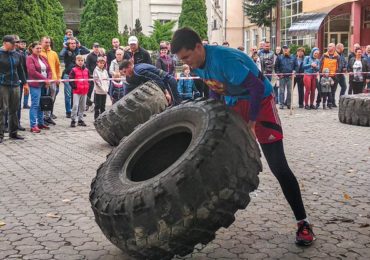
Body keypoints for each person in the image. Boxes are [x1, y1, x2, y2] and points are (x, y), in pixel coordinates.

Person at [171, 28, 315, 246]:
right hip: (235, 104)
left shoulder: (224, 59)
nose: (186, 63)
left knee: (278, 167)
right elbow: (215, 89)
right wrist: (214, 114)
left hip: (261, 103)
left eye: (187, 57)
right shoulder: (199, 65)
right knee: (217, 158)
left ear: (199, 47)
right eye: (182, 59)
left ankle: (303, 223)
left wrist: (252, 124)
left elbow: (257, 87)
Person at [0, 35, 27, 142]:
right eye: (13, 43)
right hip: (2, 85)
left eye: (16, 42)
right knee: (2, 109)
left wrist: (25, 83)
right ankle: (0, 135)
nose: (15, 44)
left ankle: (13, 133)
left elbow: (20, 70)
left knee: (14, 109)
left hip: (15, 84)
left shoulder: (17, 54)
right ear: (5, 43)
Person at [60, 37, 90, 118]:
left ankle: (77, 111)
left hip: (78, 75)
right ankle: (68, 111)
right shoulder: (66, 51)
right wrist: (65, 47)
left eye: (74, 43)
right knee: (68, 94)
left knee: (77, 94)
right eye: (71, 43)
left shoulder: (78, 50)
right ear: (68, 44)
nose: (73, 44)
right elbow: (61, 55)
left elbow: (87, 51)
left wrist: (80, 45)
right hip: (68, 74)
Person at [26, 41, 52, 133]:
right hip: (35, 85)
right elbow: (32, 72)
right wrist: (45, 79)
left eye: (40, 48)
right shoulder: (30, 58)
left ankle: (40, 123)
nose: (39, 50)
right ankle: (33, 125)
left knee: (42, 104)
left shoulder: (43, 58)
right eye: (37, 48)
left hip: (44, 84)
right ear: (32, 49)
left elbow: (49, 70)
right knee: (35, 104)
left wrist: (48, 79)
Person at [40, 36, 61, 126]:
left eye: (49, 42)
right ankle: (42, 118)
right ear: (41, 42)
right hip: (43, 81)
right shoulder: (39, 52)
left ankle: (48, 117)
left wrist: (58, 78)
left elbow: (58, 66)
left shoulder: (54, 53)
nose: (48, 44)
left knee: (51, 99)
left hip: (53, 80)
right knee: (43, 99)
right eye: (46, 42)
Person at [274, 45, 298, 109]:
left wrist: (294, 71)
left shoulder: (293, 57)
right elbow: (276, 67)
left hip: (290, 77)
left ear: (289, 49)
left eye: (286, 49)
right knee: (281, 91)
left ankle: (289, 104)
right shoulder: (279, 57)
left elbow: (296, 66)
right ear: (282, 50)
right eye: (284, 49)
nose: (285, 50)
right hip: (282, 77)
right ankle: (281, 104)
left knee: (290, 91)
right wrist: (279, 74)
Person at [69, 55, 89, 127]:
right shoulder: (73, 70)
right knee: (75, 106)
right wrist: (74, 87)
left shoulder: (86, 70)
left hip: (84, 91)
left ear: (84, 61)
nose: (80, 62)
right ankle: (73, 120)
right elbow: (70, 80)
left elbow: (88, 79)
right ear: (76, 61)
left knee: (83, 106)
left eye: (82, 60)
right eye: (79, 60)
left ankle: (80, 119)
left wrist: (87, 86)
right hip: (76, 91)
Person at [318, 43, 339, 108]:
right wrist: (320, 73)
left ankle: (330, 103)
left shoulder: (337, 56)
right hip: (324, 76)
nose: (328, 47)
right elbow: (320, 64)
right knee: (321, 91)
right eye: (328, 46)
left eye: (330, 46)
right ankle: (318, 103)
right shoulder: (324, 55)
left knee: (332, 91)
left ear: (334, 47)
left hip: (333, 76)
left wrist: (337, 73)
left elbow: (339, 65)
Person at [86, 42, 102, 108]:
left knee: (98, 91)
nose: (96, 48)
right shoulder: (89, 56)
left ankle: (96, 104)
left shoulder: (101, 55)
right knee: (89, 90)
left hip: (99, 76)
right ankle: (87, 104)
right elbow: (87, 66)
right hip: (91, 76)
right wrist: (90, 74)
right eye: (95, 47)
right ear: (93, 48)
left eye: (97, 47)